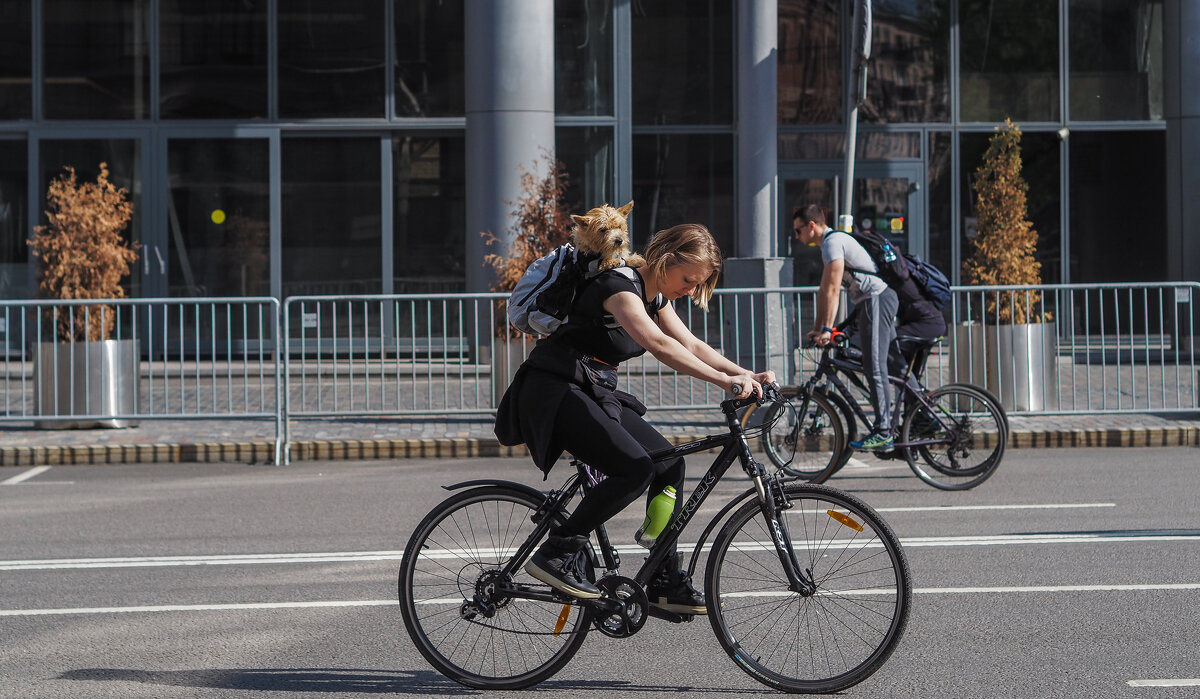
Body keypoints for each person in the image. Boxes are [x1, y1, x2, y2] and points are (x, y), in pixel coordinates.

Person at [494, 223, 775, 614]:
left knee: (669, 463)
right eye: (688, 279)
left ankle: (661, 578)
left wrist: (748, 373)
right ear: (664, 260)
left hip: (591, 388)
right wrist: (726, 382)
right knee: (634, 468)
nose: (691, 290)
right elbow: (659, 345)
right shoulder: (618, 288)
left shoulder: (654, 296)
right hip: (555, 390)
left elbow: (690, 343)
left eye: (699, 284)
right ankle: (557, 552)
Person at [793, 204, 897, 451]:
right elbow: (823, 292)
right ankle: (911, 413)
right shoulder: (829, 245)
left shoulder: (832, 242)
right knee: (885, 362)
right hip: (869, 302)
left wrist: (827, 330)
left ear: (811, 226)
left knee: (874, 364)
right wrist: (818, 328)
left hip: (876, 299)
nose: (796, 236)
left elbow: (833, 289)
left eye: (798, 231)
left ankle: (884, 432)